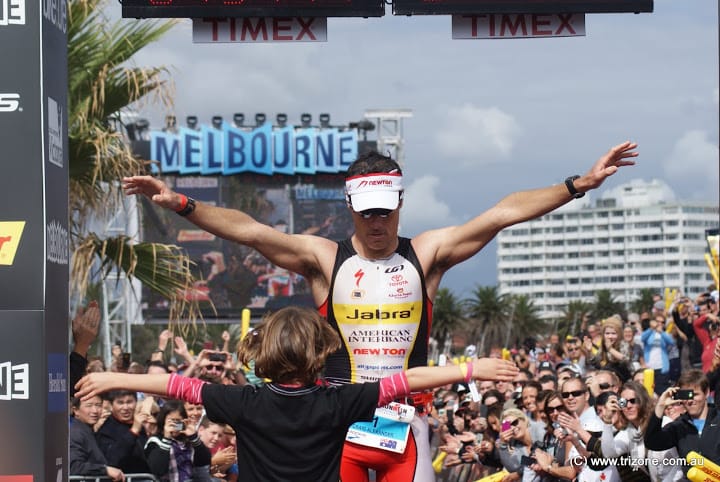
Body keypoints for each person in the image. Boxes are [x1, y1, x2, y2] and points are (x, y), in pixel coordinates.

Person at [122, 142, 637, 481]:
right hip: (339, 424)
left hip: (405, 424)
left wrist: (577, 185)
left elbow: (501, 213)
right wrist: (181, 203)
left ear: (400, 203)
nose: (376, 222)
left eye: (385, 210)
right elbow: (251, 231)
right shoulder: (325, 259)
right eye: (367, 211)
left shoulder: (427, 253)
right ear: (350, 206)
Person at [77, 306, 519, 482]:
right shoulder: (337, 401)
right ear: (318, 356)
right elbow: (406, 381)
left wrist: (114, 378)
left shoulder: (243, 402)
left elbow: (175, 384)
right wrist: (467, 368)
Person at [69, 395, 125, 481]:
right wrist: (104, 470)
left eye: (98, 405)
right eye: (89, 405)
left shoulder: (89, 431)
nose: (95, 411)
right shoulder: (76, 433)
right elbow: (74, 466)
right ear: (76, 410)